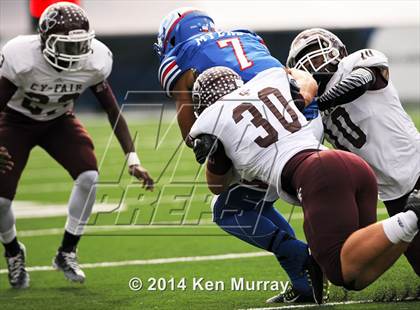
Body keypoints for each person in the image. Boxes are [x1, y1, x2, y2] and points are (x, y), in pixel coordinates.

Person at [189, 66, 420, 296]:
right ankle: (410, 223)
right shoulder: (267, 78)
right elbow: (302, 77)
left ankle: (412, 215)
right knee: (359, 271)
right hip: (351, 166)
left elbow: (216, 187)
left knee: (340, 270)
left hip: (318, 174)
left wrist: (213, 155)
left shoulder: (209, 120)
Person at [155, 7, 325, 303]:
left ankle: (301, 260)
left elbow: (191, 135)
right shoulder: (245, 36)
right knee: (250, 203)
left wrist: (216, 139)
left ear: (171, 39)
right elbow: (287, 78)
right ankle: (302, 278)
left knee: (227, 209)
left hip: (267, 132)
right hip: (301, 118)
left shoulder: (179, 57)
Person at [0, 2, 154, 289]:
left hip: (59, 121)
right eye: (66, 46)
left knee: (89, 177)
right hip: (16, 121)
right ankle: (13, 251)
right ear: (44, 40)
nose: (75, 54)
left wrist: (132, 158)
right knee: (1, 200)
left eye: (80, 45)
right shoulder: (21, 57)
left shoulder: (95, 60)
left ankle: (67, 251)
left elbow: (112, 109)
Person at [286, 28, 420, 276]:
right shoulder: (314, 114)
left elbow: (359, 82)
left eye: (316, 52)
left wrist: (319, 103)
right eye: (306, 58)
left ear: (338, 50)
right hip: (393, 195)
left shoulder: (355, 64)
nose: (313, 61)